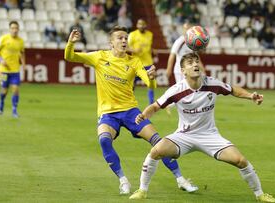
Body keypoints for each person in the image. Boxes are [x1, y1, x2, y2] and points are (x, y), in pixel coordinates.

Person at [64, 26, 198, 195]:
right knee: (104, 140)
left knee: (159, 143)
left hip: (131, 112)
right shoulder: (99, 57)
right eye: (119, 38)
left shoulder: (134, 61)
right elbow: (70, 56)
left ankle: (180, 179)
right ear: (111, 42)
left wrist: (151, 78)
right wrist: (70, 43)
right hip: (108, 113)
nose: (124, 41)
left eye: (126, 38)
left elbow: (149, 82)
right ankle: (123, 180)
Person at [129, 53, 275, 203]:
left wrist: (250, 96)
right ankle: (142, 190)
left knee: (240, 160)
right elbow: (155, 106)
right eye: (190, 63)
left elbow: (232, 90)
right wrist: (144, 115)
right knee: (156, 151)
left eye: (196, 62)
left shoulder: (212, 83)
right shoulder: (176, 90)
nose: (195, 65)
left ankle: (260, 195)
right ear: (183, 71)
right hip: (184, 136)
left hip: (209, 136)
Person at [0, 21, 25, 118]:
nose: (14, 30)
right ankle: (1, 102)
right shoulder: (4, 39)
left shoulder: (20, 41)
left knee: (15, 89)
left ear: (18, 29)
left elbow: (22, 53)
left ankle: (14, 110)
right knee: (4, 90)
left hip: (15, 70)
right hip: (3, 70)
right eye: (13, 28)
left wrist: (24, 64)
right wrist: (0, 60)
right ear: (10, 29)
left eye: (16, 28)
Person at [128, 19, 155, 105]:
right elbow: (126, 48)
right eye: (139, 24)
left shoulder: (150, 35)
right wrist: (134, 50)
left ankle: (151, 103)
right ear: (137, 25)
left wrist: (152, 51)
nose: (141, 26)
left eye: (143, 24)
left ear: (145, 25)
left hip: (148, 63)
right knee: (132, 84)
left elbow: (149, 47)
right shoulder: (132, 35)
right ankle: (129, 101)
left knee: (151, 84)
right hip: (136, 64)